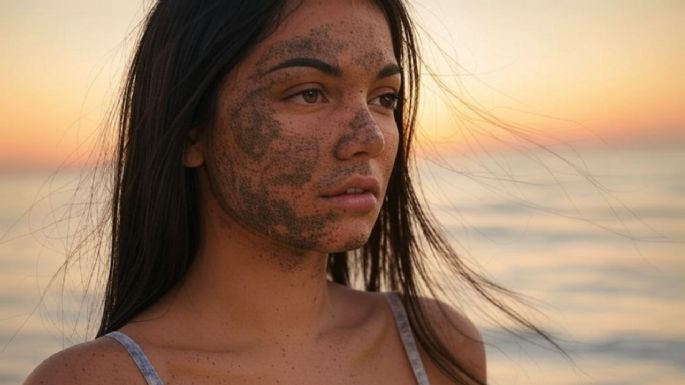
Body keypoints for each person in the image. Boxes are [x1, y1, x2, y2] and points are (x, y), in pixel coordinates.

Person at [24, 0, 550, 384]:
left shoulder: (439, 349)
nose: (368, 136)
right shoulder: (98, 379)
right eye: (309, 93)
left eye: (384, 97)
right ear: (191, 132)